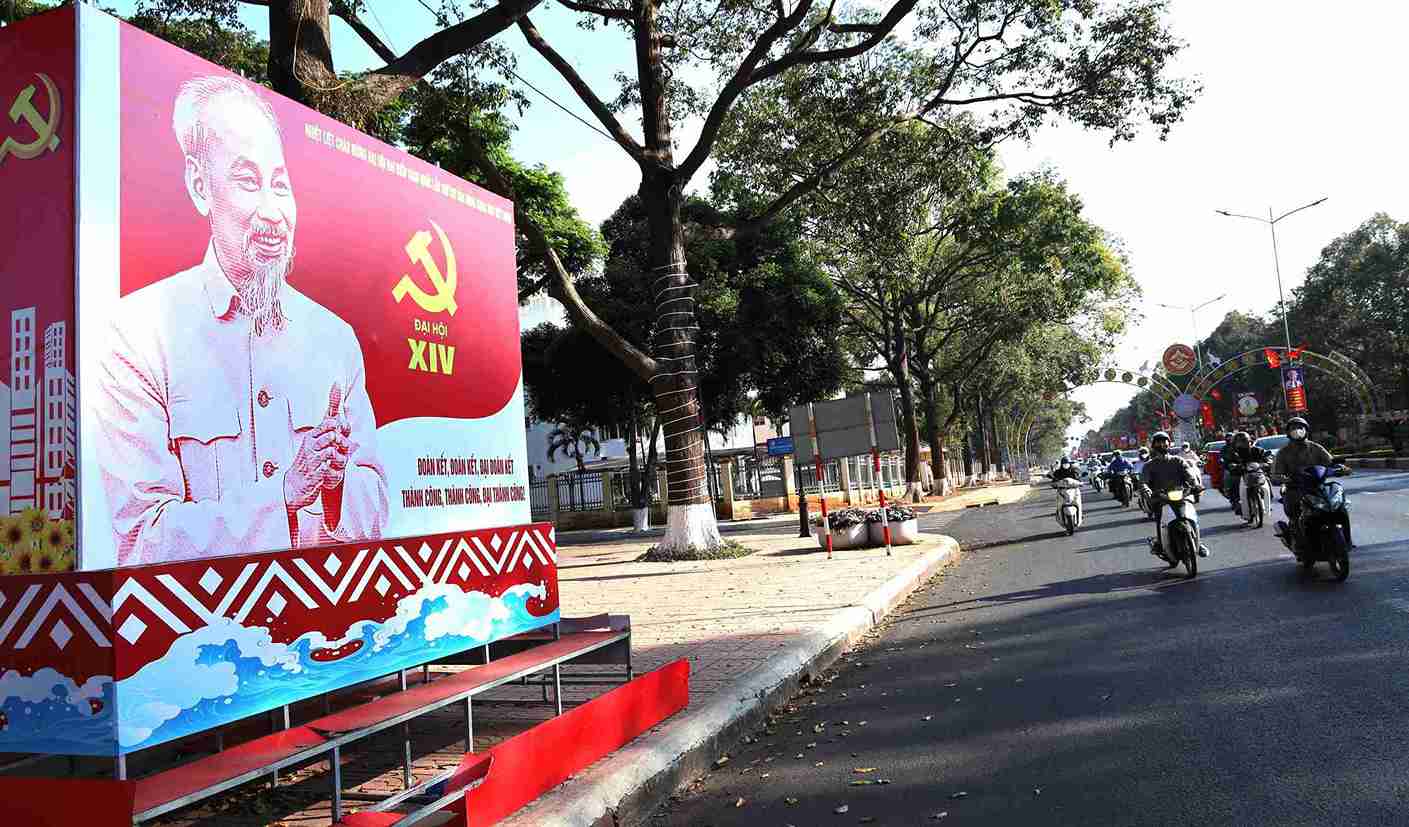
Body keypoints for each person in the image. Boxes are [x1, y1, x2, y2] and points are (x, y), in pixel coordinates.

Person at [95, 75, 389, 565]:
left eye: (280, 185)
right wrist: (285, 494)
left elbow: (377, 510)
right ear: (199, 186)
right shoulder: (138, 332)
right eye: (249, 182)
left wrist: (335, 486)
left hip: (325, 611)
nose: (273, 212)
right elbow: (142, 539)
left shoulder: (334, 338)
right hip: (204, 616)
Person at [1271, 416, 1342, 544]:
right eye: (1293, 428)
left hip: (1317, 487)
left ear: (1306, 430)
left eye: (1300, 428)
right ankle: (1297, 538)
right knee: (1294, 512)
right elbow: (1276, 473)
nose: (1297, 431)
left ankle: (1346, 537)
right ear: (1288, 433)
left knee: (1338, 506)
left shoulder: (1315, 447)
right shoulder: (1283, 452)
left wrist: (1340, 468)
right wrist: (1283, 479)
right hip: (1295, 488)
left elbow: (1330, 461)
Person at [1140, 431, 1208, 558]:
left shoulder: (1178, 461)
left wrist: (1195, 485)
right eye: (1159, 442)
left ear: (1169, 444)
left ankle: (1198, 543)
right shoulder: (1149, 466)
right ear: (1154, 445)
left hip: (1181, 495)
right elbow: (1143, 482)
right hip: (1161, 498)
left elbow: (1189, 475)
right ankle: (1160, 543)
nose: (1162, 445)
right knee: (1159, 518)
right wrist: (1147, 491)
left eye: (1164, 442)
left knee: (1192, 516)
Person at [1223, 431, 1271, 516]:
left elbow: (1267, 457)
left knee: (1267, 480)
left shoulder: (1257, 450)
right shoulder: (1233, 453)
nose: (1243, 444)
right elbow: (1227, 462)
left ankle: (1270, 498)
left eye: (1245, 441)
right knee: (1234, 483)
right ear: (1235, 444)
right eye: (1240, 442)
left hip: (1257, 472)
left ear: (1250, 441)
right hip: (1242, 474)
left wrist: (1267, 463)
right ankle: (1237, 503)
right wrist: (1232, 466)